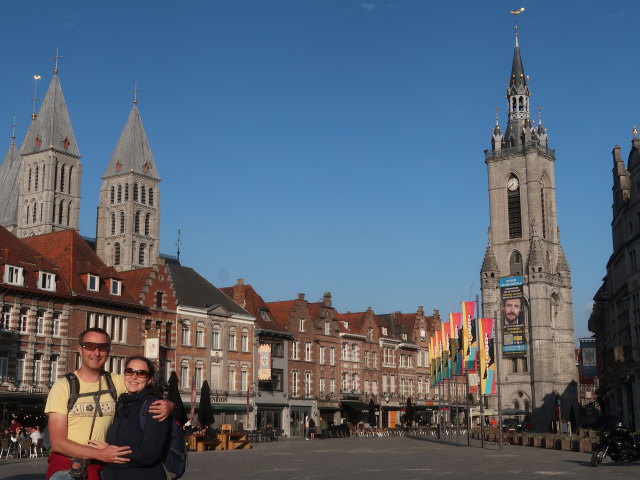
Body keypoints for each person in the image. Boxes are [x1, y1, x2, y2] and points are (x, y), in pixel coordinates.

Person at [45, 327, 172, 480]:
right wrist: (100, 454)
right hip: (68, 469)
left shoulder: (116, 381)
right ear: (80, 349)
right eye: (90, 346)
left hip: (102, 469)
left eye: (102, 347)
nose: (96, 353)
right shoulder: (63, 386)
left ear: (108, 351)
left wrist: (169, 404)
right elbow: (58, 442)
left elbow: (143, 388)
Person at [95, 356, 171, 480]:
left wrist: (111, 452)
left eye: (141, 373)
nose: (134, 376)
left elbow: (150, 453)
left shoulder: (155, 407)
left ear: (149, 380)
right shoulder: (121, 403)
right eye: (129, 371)